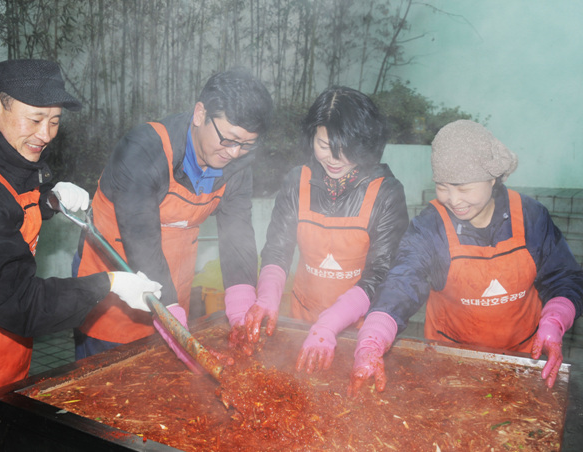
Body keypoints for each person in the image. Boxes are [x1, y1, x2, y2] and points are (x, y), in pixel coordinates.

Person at [0, 59, 162, 452]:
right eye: (35, 119)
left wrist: (49, 199)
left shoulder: (7, 156)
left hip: (6, 352)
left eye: (55, 121)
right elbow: (18, 300)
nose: (45, 134)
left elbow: (9, 209)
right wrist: (107, 284)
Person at [348, 119, 583, 395]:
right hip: (449, 367)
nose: (454, 199)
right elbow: (401, 284)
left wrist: (554, 320)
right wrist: (372, 341)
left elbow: (564, 277)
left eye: (463, 187)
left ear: (492, 178)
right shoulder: (430, 227)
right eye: (443, 186)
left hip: (524, 361)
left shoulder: (531, 217)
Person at [74, 68, 273, 360]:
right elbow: (142, 242)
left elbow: (237, 236)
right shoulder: (143, 150)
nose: (234, 153)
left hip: (172, 299)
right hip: (113, 299)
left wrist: (242, 312)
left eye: (246, 145)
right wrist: (178, 332)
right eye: (228, 140)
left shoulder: (237, 164)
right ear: (199, 114)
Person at [226, 86, 409, 373]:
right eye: (324, 146)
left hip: (357, 331)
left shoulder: (386, 193)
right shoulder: (297, 181)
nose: (334, 159)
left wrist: (329, 323)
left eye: (345, 150)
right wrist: (267, 299)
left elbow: (381, 274)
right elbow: (278, 249)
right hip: (300, 324)